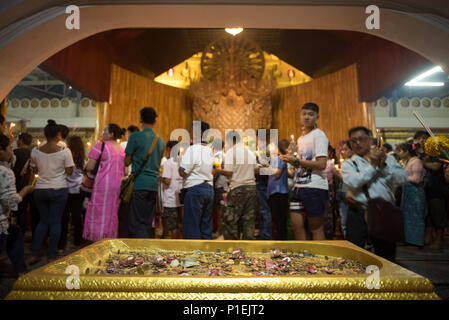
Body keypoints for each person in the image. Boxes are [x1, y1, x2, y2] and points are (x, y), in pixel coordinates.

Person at [341, 126, 408, 262]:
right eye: (353, 141)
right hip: (358, 212)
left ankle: (384, 282)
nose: (358, 143)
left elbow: (403, 179)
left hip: (383, 212)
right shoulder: (349, 163)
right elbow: (353, 182)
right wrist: (373, 166)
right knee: (354, 256)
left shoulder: (388, 159)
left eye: (361, 139)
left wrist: (383, 167)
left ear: (370, 140)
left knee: (386, 257)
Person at [28, 120, 74, 264]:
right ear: (58, 135)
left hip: (41, 189)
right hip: (58, 189)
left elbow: (34, 170)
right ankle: (52, 255)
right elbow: (70, 171)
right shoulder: (64, 151)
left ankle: (34, 253)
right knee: (55, 222)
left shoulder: (35, 151)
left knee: (43, 221)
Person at [281, 102, 329, 240]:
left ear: (317, 117)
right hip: (299, 186)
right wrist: (290, 159)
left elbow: (321, 164)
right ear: (300, 116)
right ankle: (302, 258)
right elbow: (300, 165)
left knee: (316, 228)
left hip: (314, 187)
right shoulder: (300, 138)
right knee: (296, 226)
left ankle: (320, 260)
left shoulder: (319, 135)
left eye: (311, 114)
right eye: (304, 114)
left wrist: (296, 161)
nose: (307, 117)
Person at [125, 107, 164, 238]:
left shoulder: (135, 136)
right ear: (155, 121)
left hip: (139, 183)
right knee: (147, 221)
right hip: (153, 185)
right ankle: (145, 248)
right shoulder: (160, 140)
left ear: (140, 119)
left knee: (136, 221)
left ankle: (138, 253)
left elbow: (126, 162)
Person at [83, 124, 126, 242]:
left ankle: (96, 239)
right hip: (117, 186)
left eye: (104, 130)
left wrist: (86, 165)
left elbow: (90, 166)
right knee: (112, 212)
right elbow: (125, 170)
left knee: (98, 211)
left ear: (111, 134)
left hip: (102, 185)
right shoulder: (122, 150)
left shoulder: (100, 146)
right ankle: (109, 238)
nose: (102, 133)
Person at [0, 133, 34, 276]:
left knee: (15, 235)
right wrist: (26, 190)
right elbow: (11, 201)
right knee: (13, 235)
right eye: (9, 148)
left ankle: (21, 270)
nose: (11, 151)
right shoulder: (5, 173)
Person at [215, 130, 259, 240]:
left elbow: (229, 173)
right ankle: (248, 248)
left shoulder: (231, 152)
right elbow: (256, 170)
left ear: (230, 140)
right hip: (251, 187)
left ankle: (232, 248)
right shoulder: (250, 152)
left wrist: (219, 170)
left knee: (230, 220)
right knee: (248, 220)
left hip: (237, 188)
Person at [178, 121, 214, 239]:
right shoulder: (209, 150)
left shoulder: (193, 149)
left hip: (195, 189)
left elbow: (183, 171)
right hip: (208, 188)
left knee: (191, 227)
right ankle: (207, 254)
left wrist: (180, 165)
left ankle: (192, 256)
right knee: (206, 226)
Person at [58, 136, 86, 252]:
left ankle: (61, 245)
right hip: (79, 191)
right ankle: (77, 242)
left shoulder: (65, 159)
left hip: (66, 190)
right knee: (77, 217)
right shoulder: (83, 161)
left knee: (63, 218)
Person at [397, 142, 427, 248]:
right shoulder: (408, 161)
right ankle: (409, 239)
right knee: (407, 217)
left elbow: (417, 179)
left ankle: (417, 242)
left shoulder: (416, 161)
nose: (399, 153)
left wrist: (402, 176)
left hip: (415, 193)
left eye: (400, 151)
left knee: (416, 217)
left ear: (407, 151)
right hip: (408, 192)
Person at [267, 139, 290, 240]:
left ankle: (282, 242)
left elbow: (277, 174)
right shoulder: (274, 160)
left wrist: (266, 167)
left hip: (280, 193)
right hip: (274, 193)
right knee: (276, 220)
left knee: (281, 221)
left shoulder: (280, 158)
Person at [161, 140, 183, 238]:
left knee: (169, 226)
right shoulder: (182, 161)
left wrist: (159, 178)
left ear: (169, 149)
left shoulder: (168, 162)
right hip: (180, 198)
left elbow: (167, 181)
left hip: (170, 199)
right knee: (178, 224)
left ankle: (171, 245)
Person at [12, 133, 33, 234]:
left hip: (16, 184)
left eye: (17, 139)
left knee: (18, 209)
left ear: (21, 140)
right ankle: (23, 230)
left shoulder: (15, 152)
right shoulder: (32, 153)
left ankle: (17, 230)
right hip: (29, 184)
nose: (16, 141)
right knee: (25, 209)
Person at [333, 140, 353, 238]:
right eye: (342, 149)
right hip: (342, 194)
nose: (343, 152)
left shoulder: (354, 163)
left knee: (350, 221)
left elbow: (347, 180)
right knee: (344, 221)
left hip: (351, 195)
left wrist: (337, 174)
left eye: (346, 149)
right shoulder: (345, 163)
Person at [255, 130, 272, 240]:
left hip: (263, 184)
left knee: (265, 210)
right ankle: (263, 232)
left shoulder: (265, 151)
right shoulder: (261, 150)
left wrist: (256, 169)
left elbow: (268, 168)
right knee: (262, 210)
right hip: (260, 183)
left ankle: (266, 235)